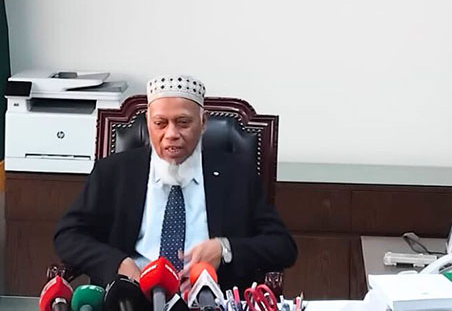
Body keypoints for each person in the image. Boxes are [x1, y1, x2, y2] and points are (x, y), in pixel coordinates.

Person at [54, 74, 297, 290]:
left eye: (183, 123)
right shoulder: (114, 172)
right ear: (148, 122)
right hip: (133, 293)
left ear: (203, 123)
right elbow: (68, 235)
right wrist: (118, 264)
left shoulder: (236, 174)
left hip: (208, 296)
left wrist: (224, 249)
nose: (171, 134)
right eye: (160, 123)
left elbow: (283, 246)